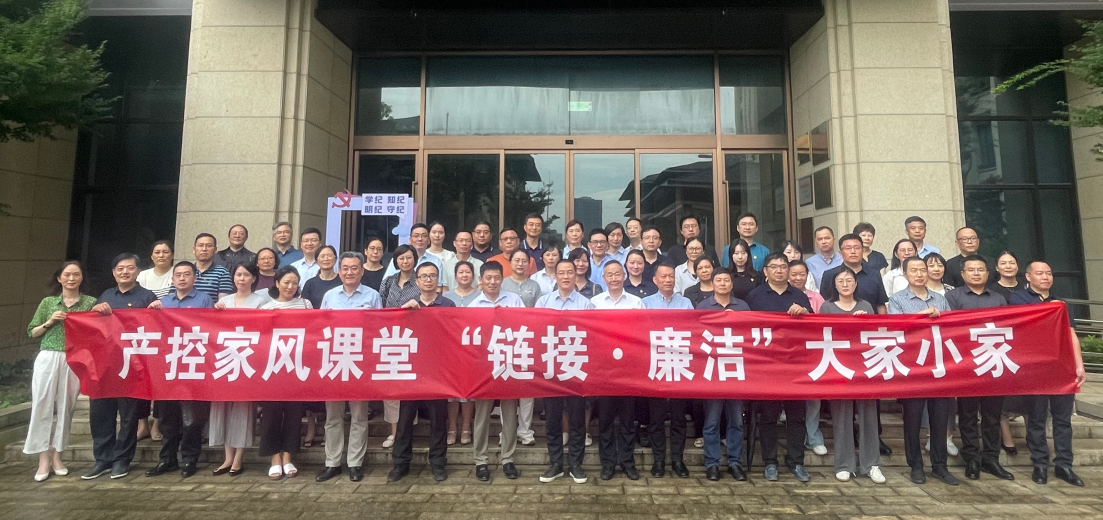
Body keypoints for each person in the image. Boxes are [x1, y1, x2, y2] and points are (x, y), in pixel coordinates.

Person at [1010, 261, 1086, 487]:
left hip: (1062, 367)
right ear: (1028, 276)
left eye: (1049, 273)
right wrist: (1051, 308)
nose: (1045, 277)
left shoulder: (1062, 303)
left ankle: (1064, 464)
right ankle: (1040, 463)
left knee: (1063, 419)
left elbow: (1071, 333)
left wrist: (1079, 364)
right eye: (1040, 273)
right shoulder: (1018, 298)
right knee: (1036, 418)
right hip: (1036, 368)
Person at [817, 233, 893, 456]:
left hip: (867, 346)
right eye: (848, 248)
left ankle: (874, 438)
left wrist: (882, 332)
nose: (853, 251)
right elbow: (825, 306)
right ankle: (847, 439)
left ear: (863, 250)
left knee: (870, 395)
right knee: (843, 396)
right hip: (839, 347)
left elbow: (881, 305)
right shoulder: (830, 274)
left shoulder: (873, 274)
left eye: (857, 247)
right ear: (840, 252)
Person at [83, 254, 157, 480]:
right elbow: (93, 329)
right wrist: (96, 311)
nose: (125, 272)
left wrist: (157, 311)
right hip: (105, 367)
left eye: (130, 268)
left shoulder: (147, 297)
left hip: (133, 367)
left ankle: (122, 460)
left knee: (128, 417)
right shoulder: (106, 296)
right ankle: (102, 460)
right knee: (100, 414)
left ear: (138, 271)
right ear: (113, 272)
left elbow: (156, 329)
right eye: (120, 268)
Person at [888, 256, 959, 486]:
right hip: (913, 369)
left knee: (940, 419)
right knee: (913, 419)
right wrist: (921, 317)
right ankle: (916, 466)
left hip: (938, 367)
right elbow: (896, 329)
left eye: (922, 270)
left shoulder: (940, 299)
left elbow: (951, 329)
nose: (919, 274)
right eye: (914, 270)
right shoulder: (897, 300)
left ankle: (940, 466)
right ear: (905, 274)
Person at [944, 255, 1014, 481]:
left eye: (980, 269)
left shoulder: (999, 298)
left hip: (993, 363)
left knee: (992, 416)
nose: (976, 273)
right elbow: (950, 329)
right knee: (967, 415)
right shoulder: (952, 297)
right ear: (963, 274)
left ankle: (991, 459)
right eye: (971, 270)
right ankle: (972, 458)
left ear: (987, 273)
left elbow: (1007, 328)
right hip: (966, 365)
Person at [25, 261, 95, 482]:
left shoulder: (90, 303)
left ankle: (58, 456)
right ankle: (42, 459)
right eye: (67, 275)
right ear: (59, 278)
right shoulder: (48, 302)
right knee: (42, 405)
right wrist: (50, 321)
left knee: (67, 407)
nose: (71, 278)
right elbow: (32, 332)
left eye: (76, 274)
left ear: (82, 278)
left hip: (74, 359)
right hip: (48, 356)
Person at [744, 253, 812, 483]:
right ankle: (770, 462)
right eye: (774, 267)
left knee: (796, 416)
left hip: (795, 365)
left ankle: (796, 462)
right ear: (765, 271)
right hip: (767, 365)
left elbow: (814, 327)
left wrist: (804, 313)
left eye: (783, 266)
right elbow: (746, 329)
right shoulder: (755, 296)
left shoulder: (799, 295)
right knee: (769, 416)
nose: (779, 271)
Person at [316, 253, 383, 483]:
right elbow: (319, 328)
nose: (349, 272)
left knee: (359, 416)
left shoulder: (373, 296)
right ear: (339, 271)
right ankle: (332, 463)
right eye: (345, 268)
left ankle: (355, 463)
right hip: (334, 361)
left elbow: (378, 329)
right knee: (333, 416)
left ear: (362, 271)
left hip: (359, 362)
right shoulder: (329, 296)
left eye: (354, 268)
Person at [146, 261, 214, 479]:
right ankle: (167, 459)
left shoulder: (204, 300)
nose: (182, 278)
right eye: (178, 275)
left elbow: (213, 328)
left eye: (187, 274)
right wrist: (151, 312)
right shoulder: (163, 302)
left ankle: (190, 459)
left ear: (195, 278)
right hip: (168, 366)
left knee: (192, 418)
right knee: (168, 418)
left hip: (194, 364)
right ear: (173, 279)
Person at [388, 262, 453, 483]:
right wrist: (403, 312)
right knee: (405, 420)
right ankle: (400, 463)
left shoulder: (448, 305)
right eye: (424, 276)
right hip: (411, 371)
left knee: (438, 421)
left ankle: (438, 463)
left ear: (438, 279)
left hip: (438, 372)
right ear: (416, 281)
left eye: (432, 276)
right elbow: (394, 332)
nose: (428, 280)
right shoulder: (409, 304)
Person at [820, 268, 885, 484]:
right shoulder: (827, 307)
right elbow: (822, 334)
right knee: (841, 416)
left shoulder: (865, 305)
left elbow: (875, 334)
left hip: (864, 367)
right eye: (841, 281)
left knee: (869, 415)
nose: (845, 284)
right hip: (839, 367)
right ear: (834, 285)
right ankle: (844, 464)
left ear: (856, 284)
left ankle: (872, 464)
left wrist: (865, 322)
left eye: (849, 280)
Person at [536, 259, 596, 484]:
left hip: (575, 366)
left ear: (576, 275)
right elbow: (536, 332)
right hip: (551, 367)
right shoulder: (543, 302)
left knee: (577, 420)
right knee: (552, 419)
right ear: (555, 276)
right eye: (561, 273)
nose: (566, 276)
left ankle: (576, 465)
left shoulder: (586, 304)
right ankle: (555, 464)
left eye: (570, 272)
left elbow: (591, 336)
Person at [466, 261, 525, 481]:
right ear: (480, 280)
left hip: (509, 364)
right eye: (488, 278)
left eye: (497, 278)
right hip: (484, 367)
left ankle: (508, 458)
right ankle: (480, 460)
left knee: (509, 414)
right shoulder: (473, 306)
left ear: (502, 279)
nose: (493, 282)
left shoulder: (514, 300)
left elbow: (525, 327)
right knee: (482, 416)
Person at [209, 263, 266, 478]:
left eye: (246, 275)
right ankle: (227, 457)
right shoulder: (224, 301)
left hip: (248, 359)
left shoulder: (261, 302)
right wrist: (216, 313)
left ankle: (239, 458)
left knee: (243, 408)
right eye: (238, 274)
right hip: (224, 359)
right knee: (222, 406)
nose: (242, 278)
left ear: (254, 278)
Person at [590, 261, 643, 481]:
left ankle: (628, 462)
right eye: (609, 275)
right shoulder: (594, 303)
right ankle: (608, 463)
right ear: (603, 278)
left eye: (617, 274)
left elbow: (642, 333)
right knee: (606, 421)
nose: (613, 278)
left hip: (628, 370)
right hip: (604, 371)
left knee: (628, 420)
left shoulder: (636, 302)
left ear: (624, 276)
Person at [696, 268, 749, 482]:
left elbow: (749, 335)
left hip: (736, 369)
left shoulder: (743, 307)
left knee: (736, 420)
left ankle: (735, 462)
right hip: (712, 370)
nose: (723, 284)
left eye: (726, 280)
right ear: (712, 284)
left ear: (732, 284)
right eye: (718, 280)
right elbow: (696, 336)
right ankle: (712, 463)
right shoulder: (703, 307)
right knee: (712, 420)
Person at [641, 260, 694, 479]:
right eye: (663, 276)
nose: (668, 280)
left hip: (680, 365)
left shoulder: (686, 303)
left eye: (671, 276)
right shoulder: (645, 303)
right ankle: (659, 460)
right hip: (657, 365)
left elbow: (693, 331)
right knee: (656, 418)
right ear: (655, 280)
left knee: (679, 418)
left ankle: (677, 460)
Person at [258, 267, 310, 480]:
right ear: (277, 283)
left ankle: (288, 457)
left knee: (294, 414)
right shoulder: (266, 307)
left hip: (297, 367)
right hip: (273, 368)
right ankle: (274, 458)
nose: (290, 287)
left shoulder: (306, 304)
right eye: (286, 282)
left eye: (295, 283)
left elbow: (313, 332)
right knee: (271, 414)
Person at [378, 245, 420, 448]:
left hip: (414, 338)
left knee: (410, 387)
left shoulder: (420, 280)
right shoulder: (388, 282)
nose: (405, 261)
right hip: (391, 338)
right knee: (392, 387)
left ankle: (407, 430)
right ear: (395, 261)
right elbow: (380, 307)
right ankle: (394, 432)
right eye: (401, 258)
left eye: (409, 257)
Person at [135, 240, 174, 441]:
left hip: (168, 335)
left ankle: (157, 423)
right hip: (145, 333)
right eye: (157, 252)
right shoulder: (142, 276)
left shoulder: (177, 273)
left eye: (165, 252)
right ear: (151, 256)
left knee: (161, 379)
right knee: (142, 379)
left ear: (172, 255)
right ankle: (142, 423)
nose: (161, 255)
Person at [192, 233, 234, 301]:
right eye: (200, 245)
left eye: (209, 246)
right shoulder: (185, 272)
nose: (204, 249)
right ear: (194, 249)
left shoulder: (222, 273)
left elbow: (223, 302)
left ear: (215, 250)